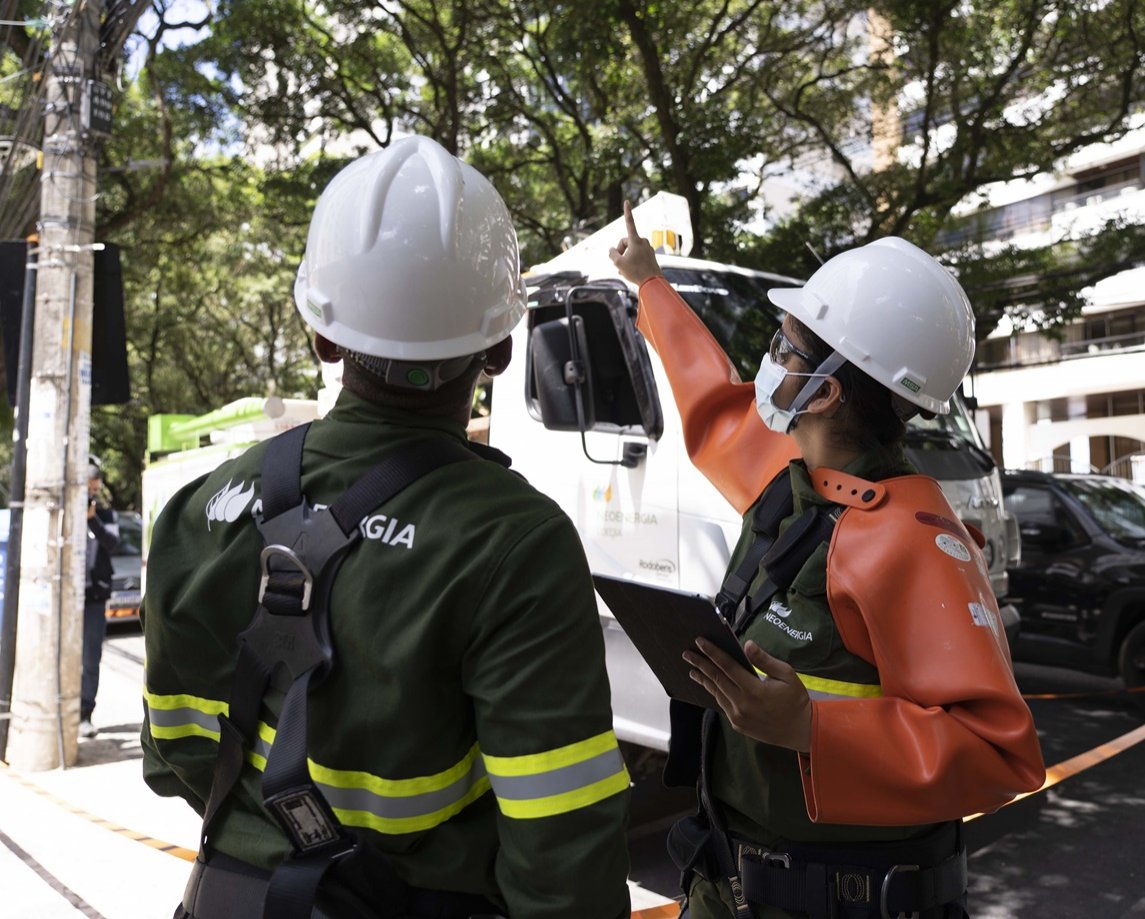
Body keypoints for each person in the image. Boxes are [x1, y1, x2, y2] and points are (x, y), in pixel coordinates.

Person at [140, 136, 632, 919]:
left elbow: (172, 761)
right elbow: (560, 844)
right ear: (499, 348)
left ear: (322, 336)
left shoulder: (198, 508)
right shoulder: (515, 540)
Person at [609, 202, 1045, 919]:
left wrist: (811, 726)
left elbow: (1001, 754)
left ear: (828, 388)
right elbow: (711, 403)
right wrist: (648, 283)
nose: (768, 359)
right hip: (729, 881)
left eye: (784, 347)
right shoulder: (794, 482)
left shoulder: (912, 539)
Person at [81, 458, 118, 739]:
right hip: (67, 596)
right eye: (87, 489)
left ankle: (85, 713)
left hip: (94, 596)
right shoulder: (66, 512)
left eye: (95, 490)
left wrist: (93, 519)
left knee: (90, 659)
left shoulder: (105, 516)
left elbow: (113, 543)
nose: (91, 495)